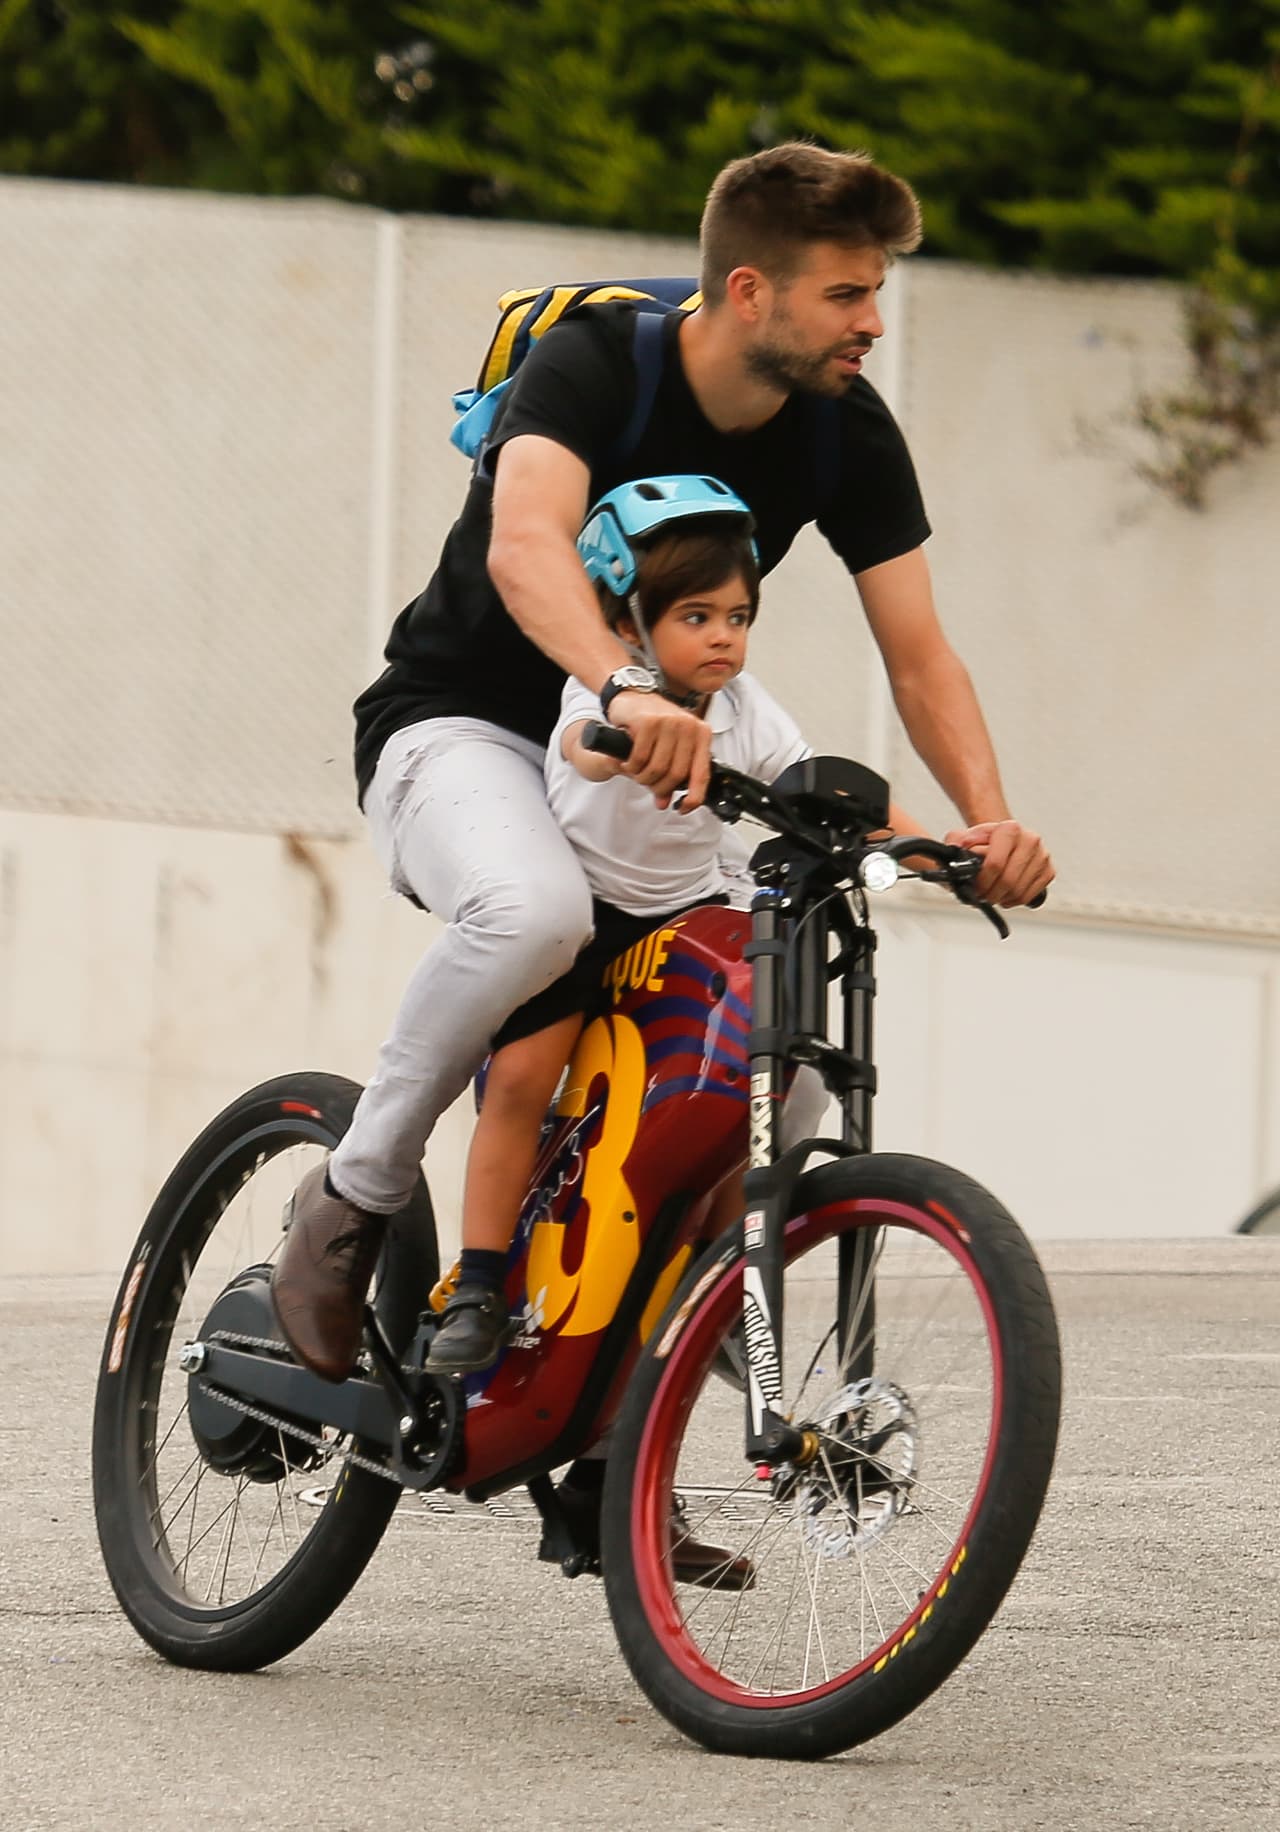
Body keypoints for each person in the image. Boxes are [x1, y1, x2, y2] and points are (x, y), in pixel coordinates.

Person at [270, 140, 1054, 1395]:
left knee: (767, 1031)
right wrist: (625, 683)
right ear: (751, 291)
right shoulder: (599, 368)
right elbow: (528, 547)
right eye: (848, 294)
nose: (875, 323)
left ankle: (639, 1364)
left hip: (663, 765)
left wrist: (983, 824)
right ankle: (350, 1200)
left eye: (877, 291)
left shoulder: (842, 432)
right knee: (532, 910)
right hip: (460, 727)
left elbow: (918, 654)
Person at [424, 474, 925, 1376]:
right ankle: (478, 1285)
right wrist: (625, 742)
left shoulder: (743, 707)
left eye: (738, 617)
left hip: (689, 917)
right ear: (632, 625)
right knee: (523, 1078)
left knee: (777, 1080)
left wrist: (948, 845)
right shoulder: (613, 690)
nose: (724, 638)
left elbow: (814, 782)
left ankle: (718, 1285)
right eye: (697, 617)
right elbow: (582, 741)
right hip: (588, 918)